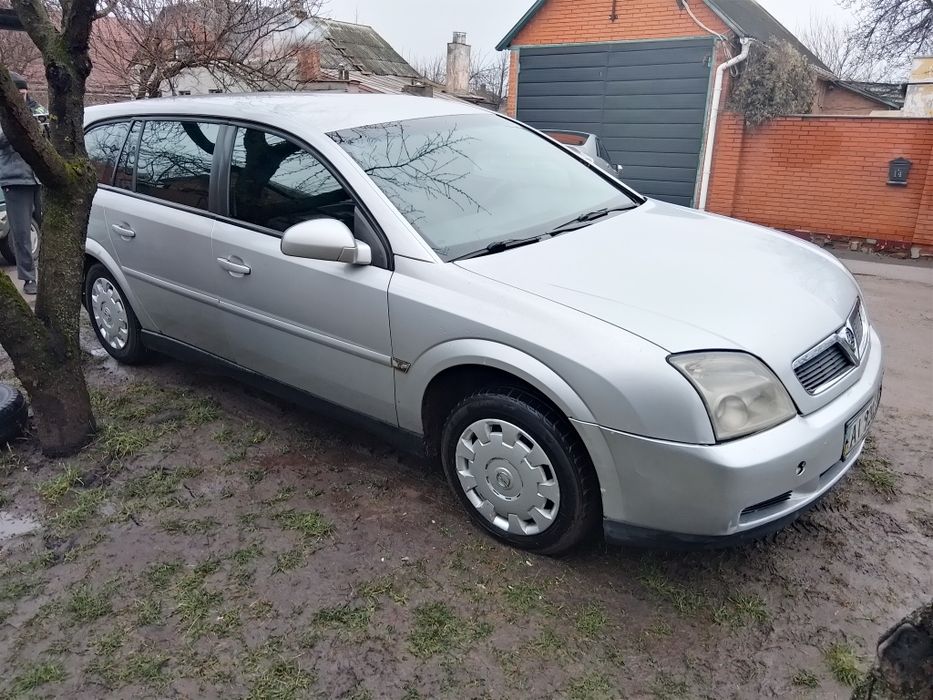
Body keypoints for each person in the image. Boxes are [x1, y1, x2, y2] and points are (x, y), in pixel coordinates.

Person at [0, 72, 40, 296]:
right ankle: (28, 278)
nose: (23, 99)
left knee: (50, 228)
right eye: (18, 95)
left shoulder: (35, 109)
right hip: (15, 179)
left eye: (25, 94)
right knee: (22, 233)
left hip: (40, 177)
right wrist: (16, 122)